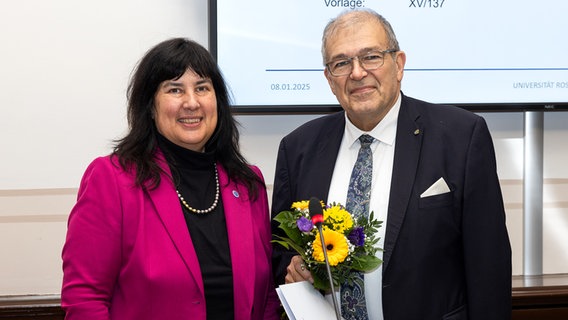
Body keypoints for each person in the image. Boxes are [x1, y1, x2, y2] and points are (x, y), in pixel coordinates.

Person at [271, 9, 512, 320]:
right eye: (341, 63)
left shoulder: (460, 137)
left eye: (371, 57)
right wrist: (294, 268)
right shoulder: (298, 149)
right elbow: (281, 255)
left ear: (398, 64)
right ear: (329, 79)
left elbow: (488, 266)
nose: (357, 73)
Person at [61, 38, 280, 320]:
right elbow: (84, 299)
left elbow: (266, 301)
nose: (191, 102)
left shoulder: (248, 183)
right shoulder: (111, 180)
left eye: (202, 88)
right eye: (175, 90)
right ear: (150, 107)